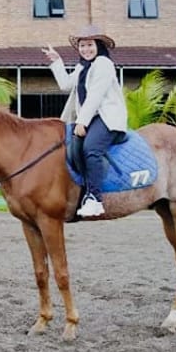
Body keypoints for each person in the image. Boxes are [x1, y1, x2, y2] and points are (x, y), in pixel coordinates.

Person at [42, 24, 128, 218]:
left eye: (90, 45)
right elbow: (65, 85)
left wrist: (82, 122)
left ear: (98, 45)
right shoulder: (83, 67)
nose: (85, 49)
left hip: (107, 117)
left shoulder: (104, 64)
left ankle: (95, 199)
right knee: (69, 147)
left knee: (91, 148)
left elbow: (95, 95)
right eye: (82, 46)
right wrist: (57, 61)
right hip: (91, 117)